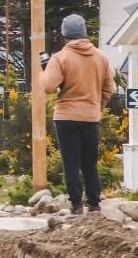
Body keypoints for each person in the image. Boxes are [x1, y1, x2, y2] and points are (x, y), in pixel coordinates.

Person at [40, 14, 115, 215]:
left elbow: (47, 86)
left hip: (65, 116)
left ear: (65, 35)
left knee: (70, 162)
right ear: (84, 34)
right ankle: (94, 202)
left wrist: (45, 71)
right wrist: (98, 106)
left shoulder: (60, 58)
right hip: (91, 117)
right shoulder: (101, 57)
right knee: (89, 163)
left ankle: (76, 204)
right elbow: (110, 88)